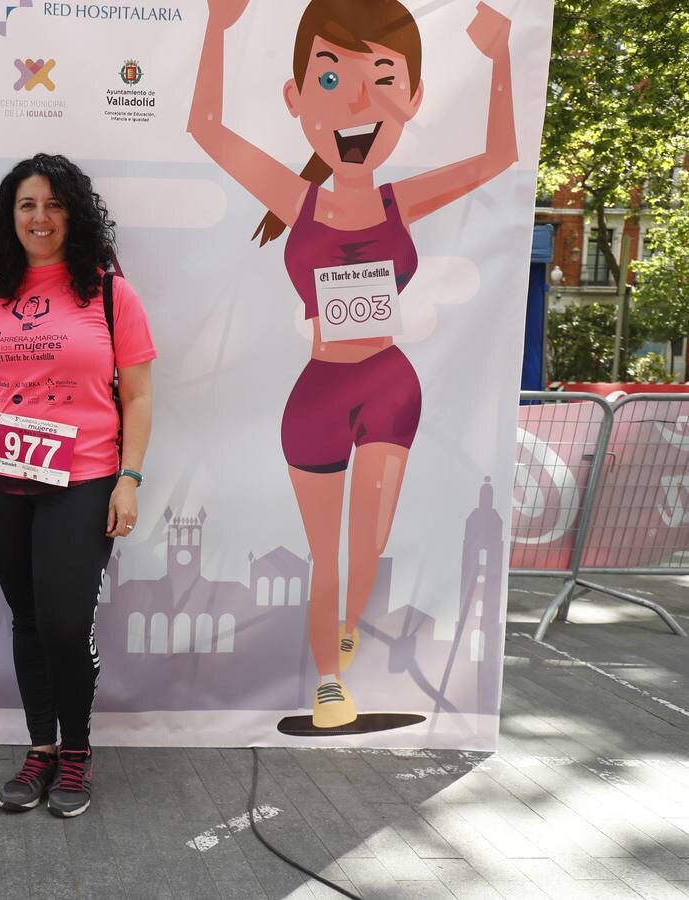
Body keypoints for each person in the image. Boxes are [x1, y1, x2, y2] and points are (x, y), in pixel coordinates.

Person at [189, 0, 517, 727]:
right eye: (331, 79)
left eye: (382, 78)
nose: (358, 101)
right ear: (296, 98)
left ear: (413, 99)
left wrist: (499, 60)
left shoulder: (403, 201)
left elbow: (498, 161)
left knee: (365, 549)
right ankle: (331, 683)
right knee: (325, 554)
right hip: (318, 396)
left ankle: (340, 643)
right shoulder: (296, 199)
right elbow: (205, 131)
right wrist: (217, 28)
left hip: (388, 389)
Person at [0, 154, 155, 817]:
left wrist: (129, 478)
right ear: (9, 219)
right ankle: (40, 748)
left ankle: (77, 753)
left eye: (54, 204)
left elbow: (141, 396)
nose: (41, 218)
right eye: (27, 206)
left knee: (66, 623)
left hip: (84, 478)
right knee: (30, 621)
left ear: (76, 213)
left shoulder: (107, 292)